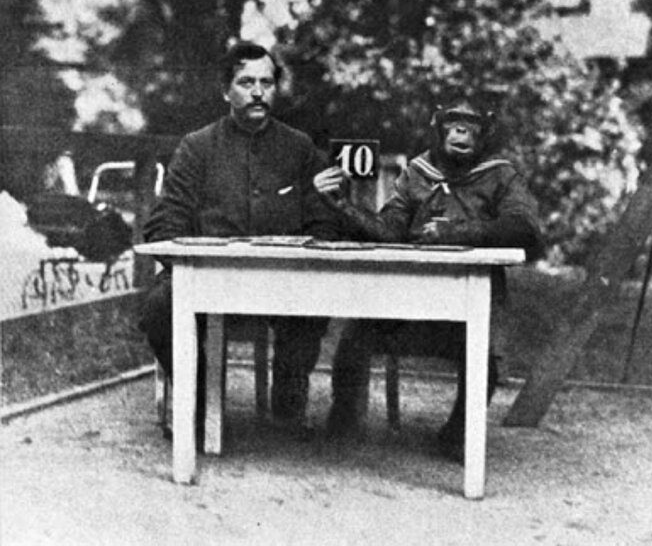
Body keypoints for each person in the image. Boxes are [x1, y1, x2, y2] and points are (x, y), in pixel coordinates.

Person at [313, 94, 542, 462]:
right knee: (356, 334)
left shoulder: (501, 175)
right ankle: (343, 422)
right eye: (454, 122)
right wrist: (343, 206)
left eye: (471, 125)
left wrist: (458, 232)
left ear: (486, 133)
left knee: (484, 364)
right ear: (438, 126)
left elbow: (526, 231)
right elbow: (389, 231)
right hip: (409, 304)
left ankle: (458, 432)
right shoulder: (417, 173)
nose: (461, 132)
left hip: (467, 308)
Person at [140, 41, 341, 436]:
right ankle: (197, 403)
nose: (258, 92)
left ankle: (288, 402)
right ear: (225, 91)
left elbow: (323, 219)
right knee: (159, 307)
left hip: (283, 277)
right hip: (211, 275)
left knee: (316, 296)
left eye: (267, 83)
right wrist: (192, 262)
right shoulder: (197, 147)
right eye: (246, 83)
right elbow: (164, 221)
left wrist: (312, 250)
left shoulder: (299, 148)